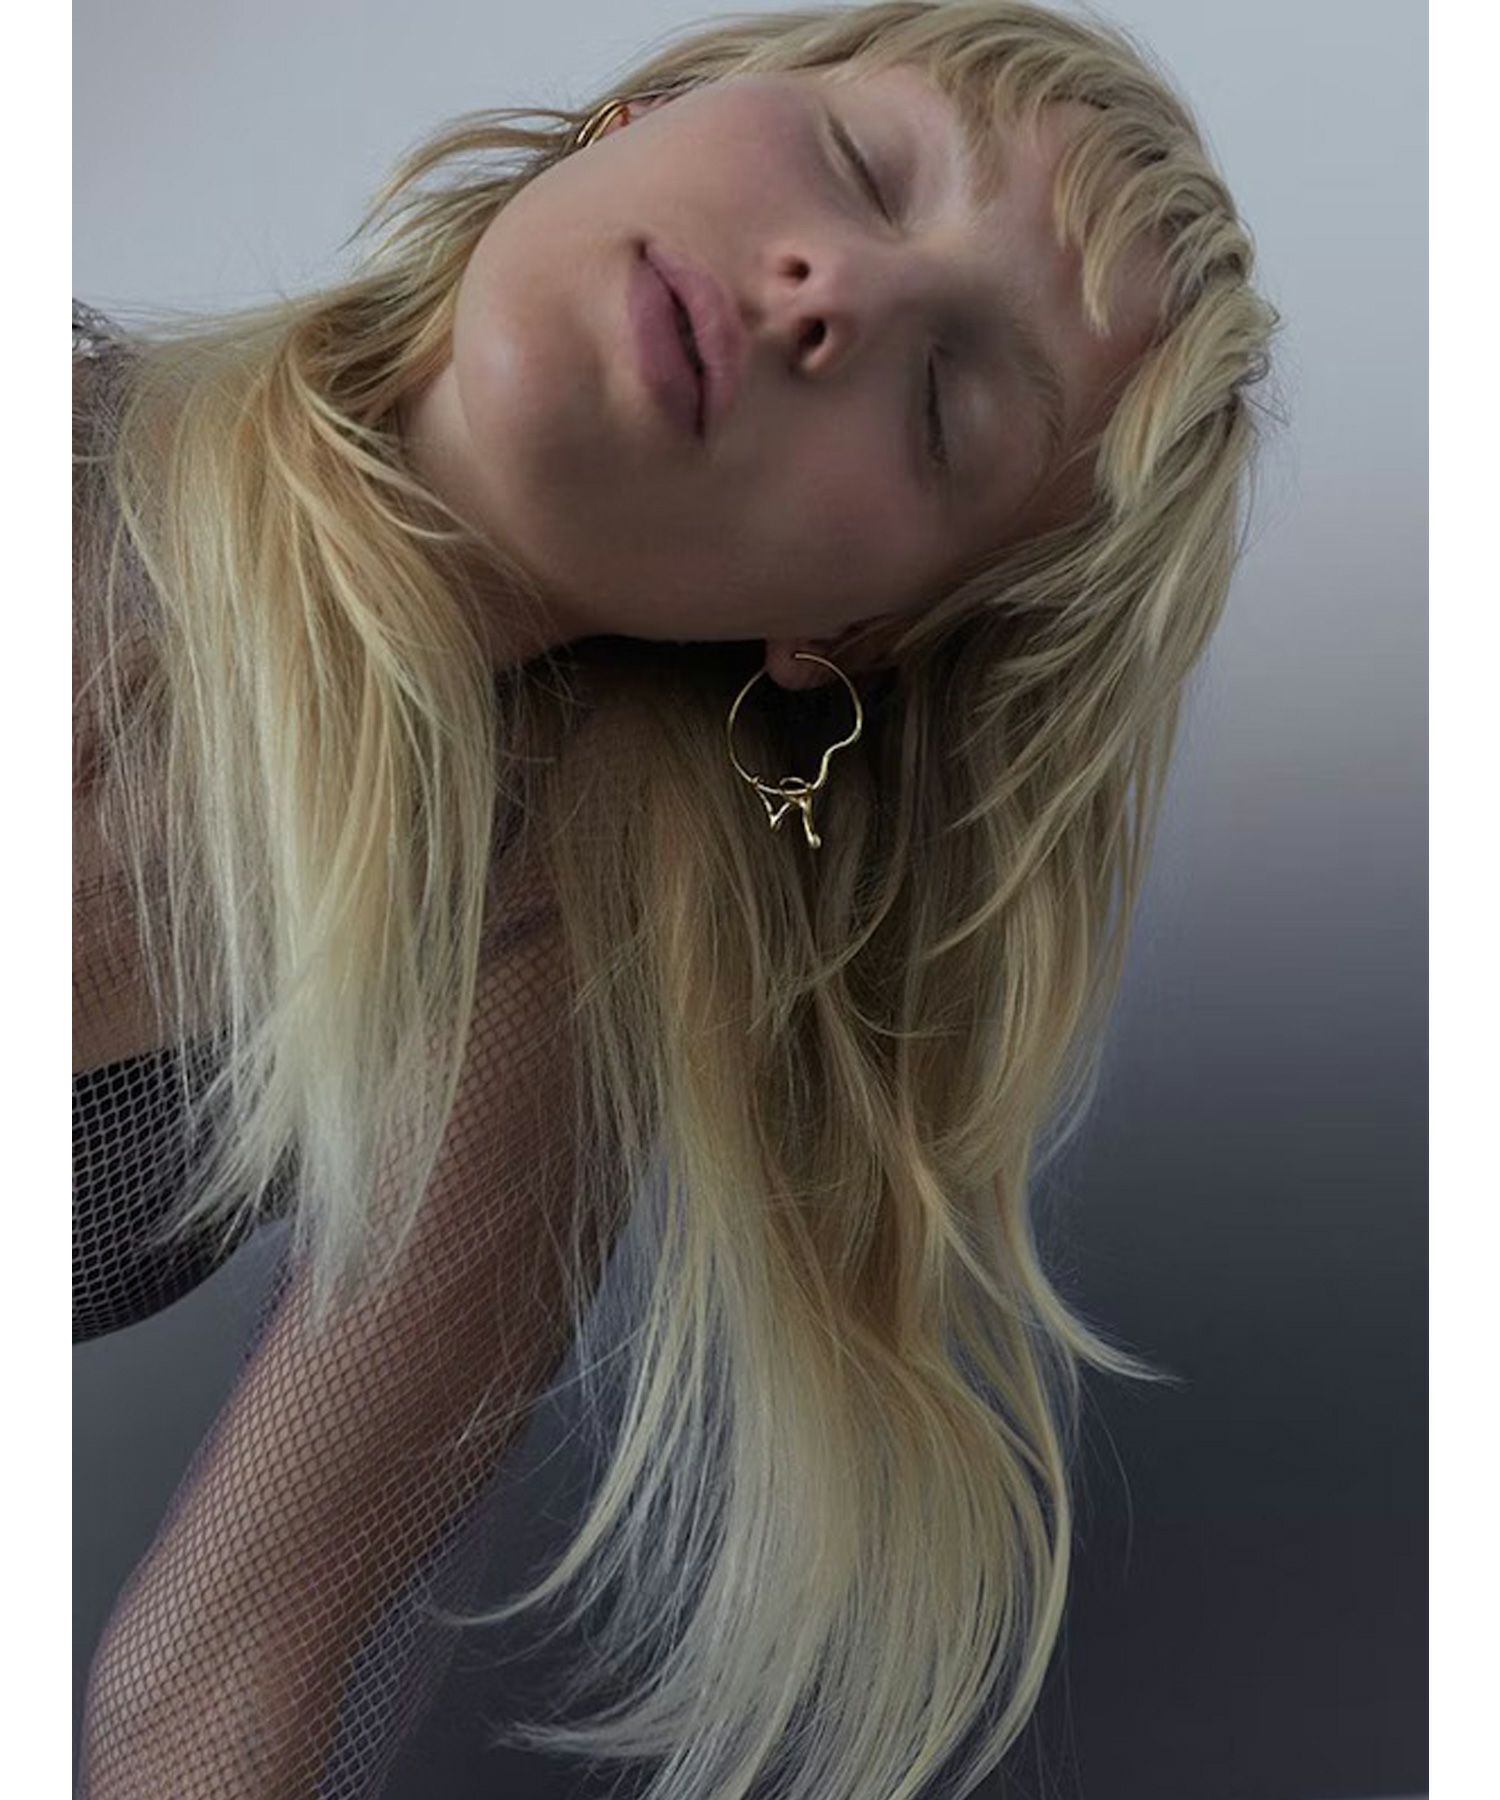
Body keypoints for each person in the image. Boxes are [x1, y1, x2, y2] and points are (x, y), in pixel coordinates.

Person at [73, 2, 1280, 1795]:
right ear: (652, 106)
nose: (834, 293)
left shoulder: (524, 963)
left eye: (942, 403)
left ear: (849, 634)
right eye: (866, 165)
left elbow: (215, 1694)